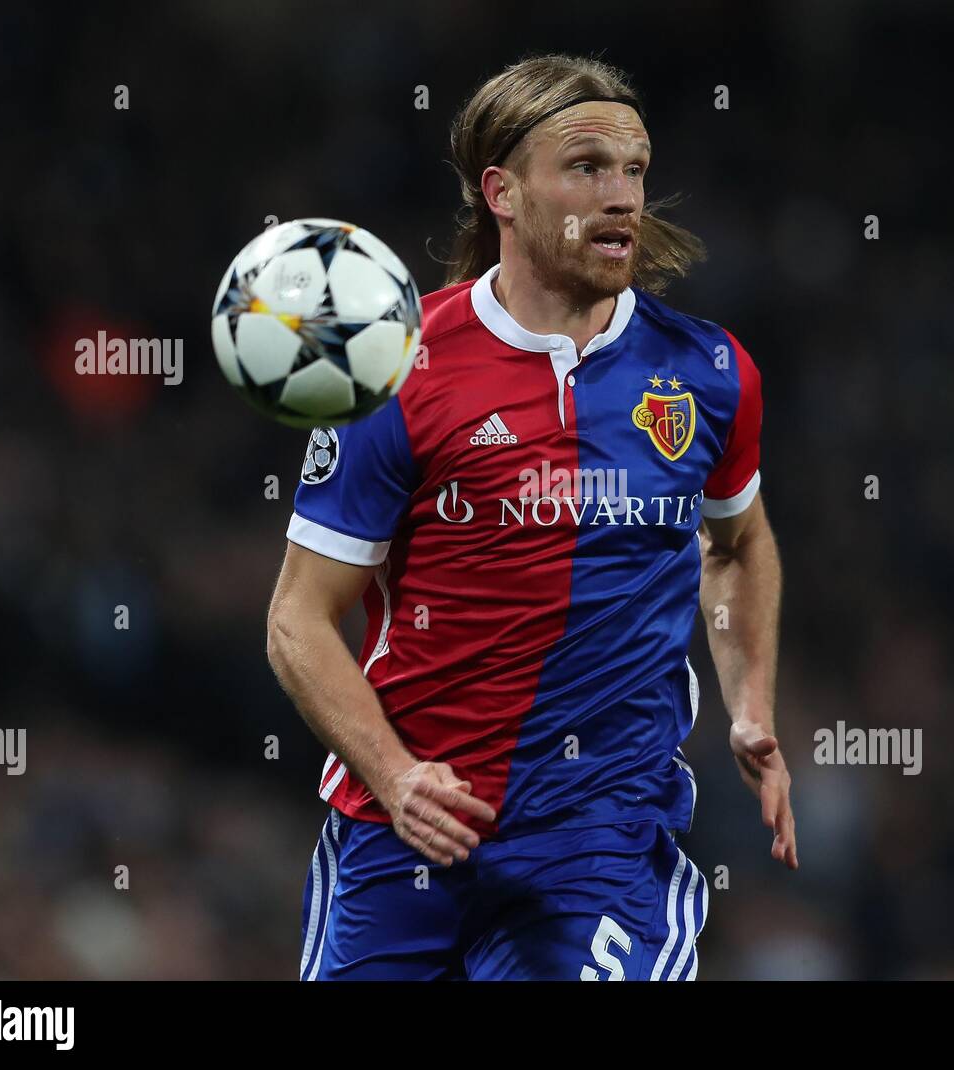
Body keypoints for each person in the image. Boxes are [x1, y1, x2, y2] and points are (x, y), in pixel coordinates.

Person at [267, 53, 796, 981]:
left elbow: (738, 542)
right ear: (502, 192)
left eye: (634, 168)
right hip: (403, 836)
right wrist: (394, 776)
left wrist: (750, 706)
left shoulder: (709, 371)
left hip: (600, 842)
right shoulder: (397, 369)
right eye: (587, 166)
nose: (623, 194)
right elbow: (299, 621)